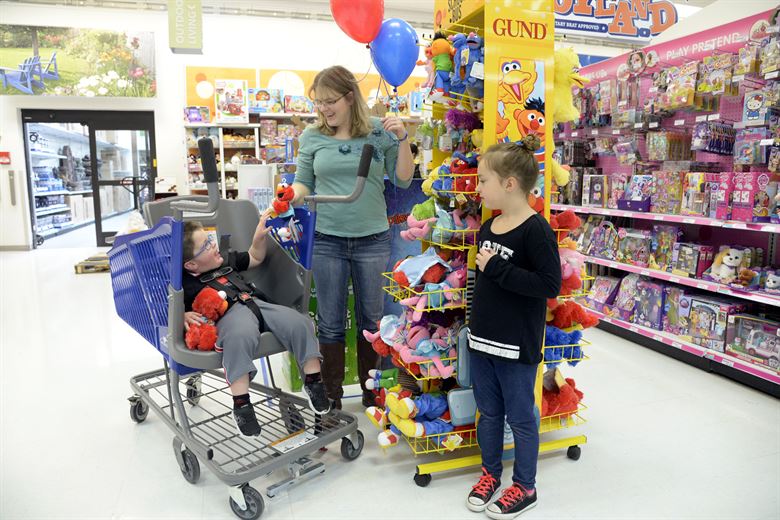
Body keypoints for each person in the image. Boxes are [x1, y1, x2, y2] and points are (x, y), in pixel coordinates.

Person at [291, 65, 414, 409]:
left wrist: (402, 139)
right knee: (329, 321)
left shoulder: (377, 132)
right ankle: (330, 397)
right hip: (327, 238)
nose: (324, 109)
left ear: (350, 98)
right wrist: (293, 194)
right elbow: (304, 182)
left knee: (372, 321)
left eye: (330, 102)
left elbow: (403, 179)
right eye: (318, 103)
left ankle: (371, 392)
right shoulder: (312, 137)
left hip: (372, 238)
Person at [465, 136, 562, 519]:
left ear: (509, 184)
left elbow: (549, 285)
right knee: (488, 413)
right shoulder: (489, 227)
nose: (478, 188)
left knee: (521, 417)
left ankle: (525, 485)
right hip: (483, 340)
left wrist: (500, 269)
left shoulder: (536, 230)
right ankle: (490, 474)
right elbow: (482, 283)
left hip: (516, 345)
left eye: (483, 180)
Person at [182, 212, 330, 437]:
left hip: (258, 304)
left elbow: (255, 257)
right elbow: (169, 307)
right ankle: (241, 404)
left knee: (300, 323)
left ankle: (313, 382)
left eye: (210, 239)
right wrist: (183, 315)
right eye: (206, 245)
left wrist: (259, 238)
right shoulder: (186, 284)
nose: (213, 245)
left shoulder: (227, 260)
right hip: (231, 317)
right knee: (238, 338)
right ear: (192, 264)